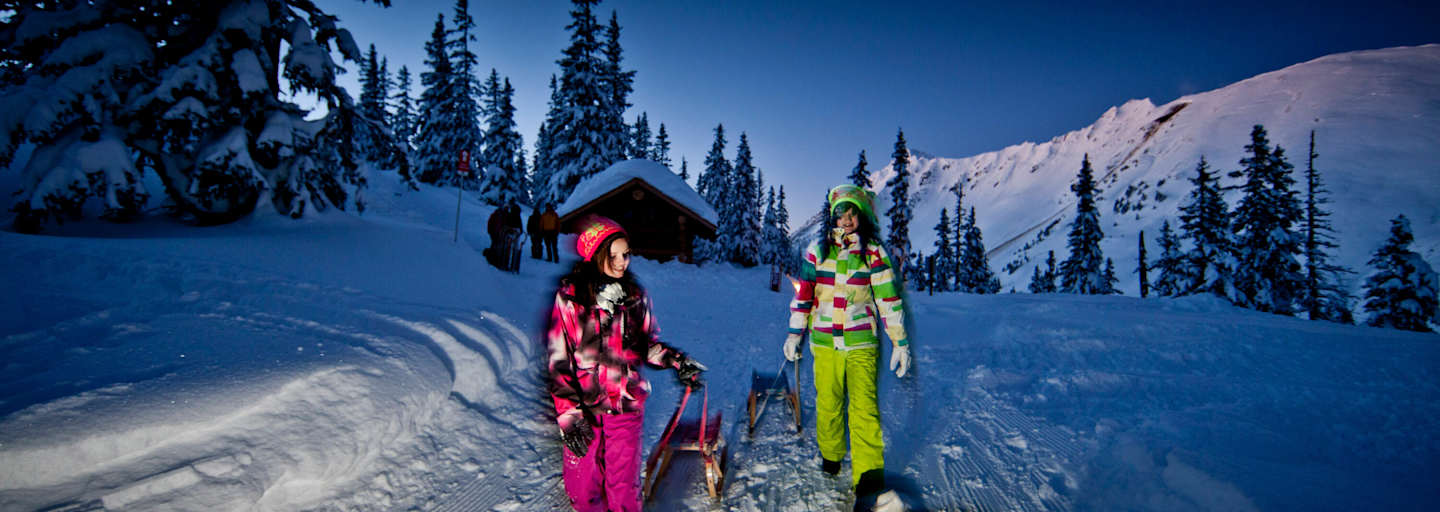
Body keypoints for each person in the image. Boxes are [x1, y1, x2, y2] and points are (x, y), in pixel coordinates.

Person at [545, 215, 707, 512]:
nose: (622, 262)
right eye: (613, 255)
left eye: (626, 254)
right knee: (582, 488)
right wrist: (568, 414)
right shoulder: (570, 299)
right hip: (585, 407)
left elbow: (647, 346)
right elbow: (558, 361)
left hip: (625, 401)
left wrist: (676, 360)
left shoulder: (634, 297)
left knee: (623, 485)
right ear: (595, 255)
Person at [784, 184, 911, 507]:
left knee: (864, 410)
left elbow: (888, 299)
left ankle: (868, 483)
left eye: (853, 211)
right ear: (834, 215)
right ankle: (831, 454)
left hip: (861, 343)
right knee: (828, 403)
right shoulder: (817, 251)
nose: (847, 218)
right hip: (824, 342)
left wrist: (899, 340)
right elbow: (804, 295)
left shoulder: (873, 253)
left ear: (862, 215)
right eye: (842, 212)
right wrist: (795, 333)